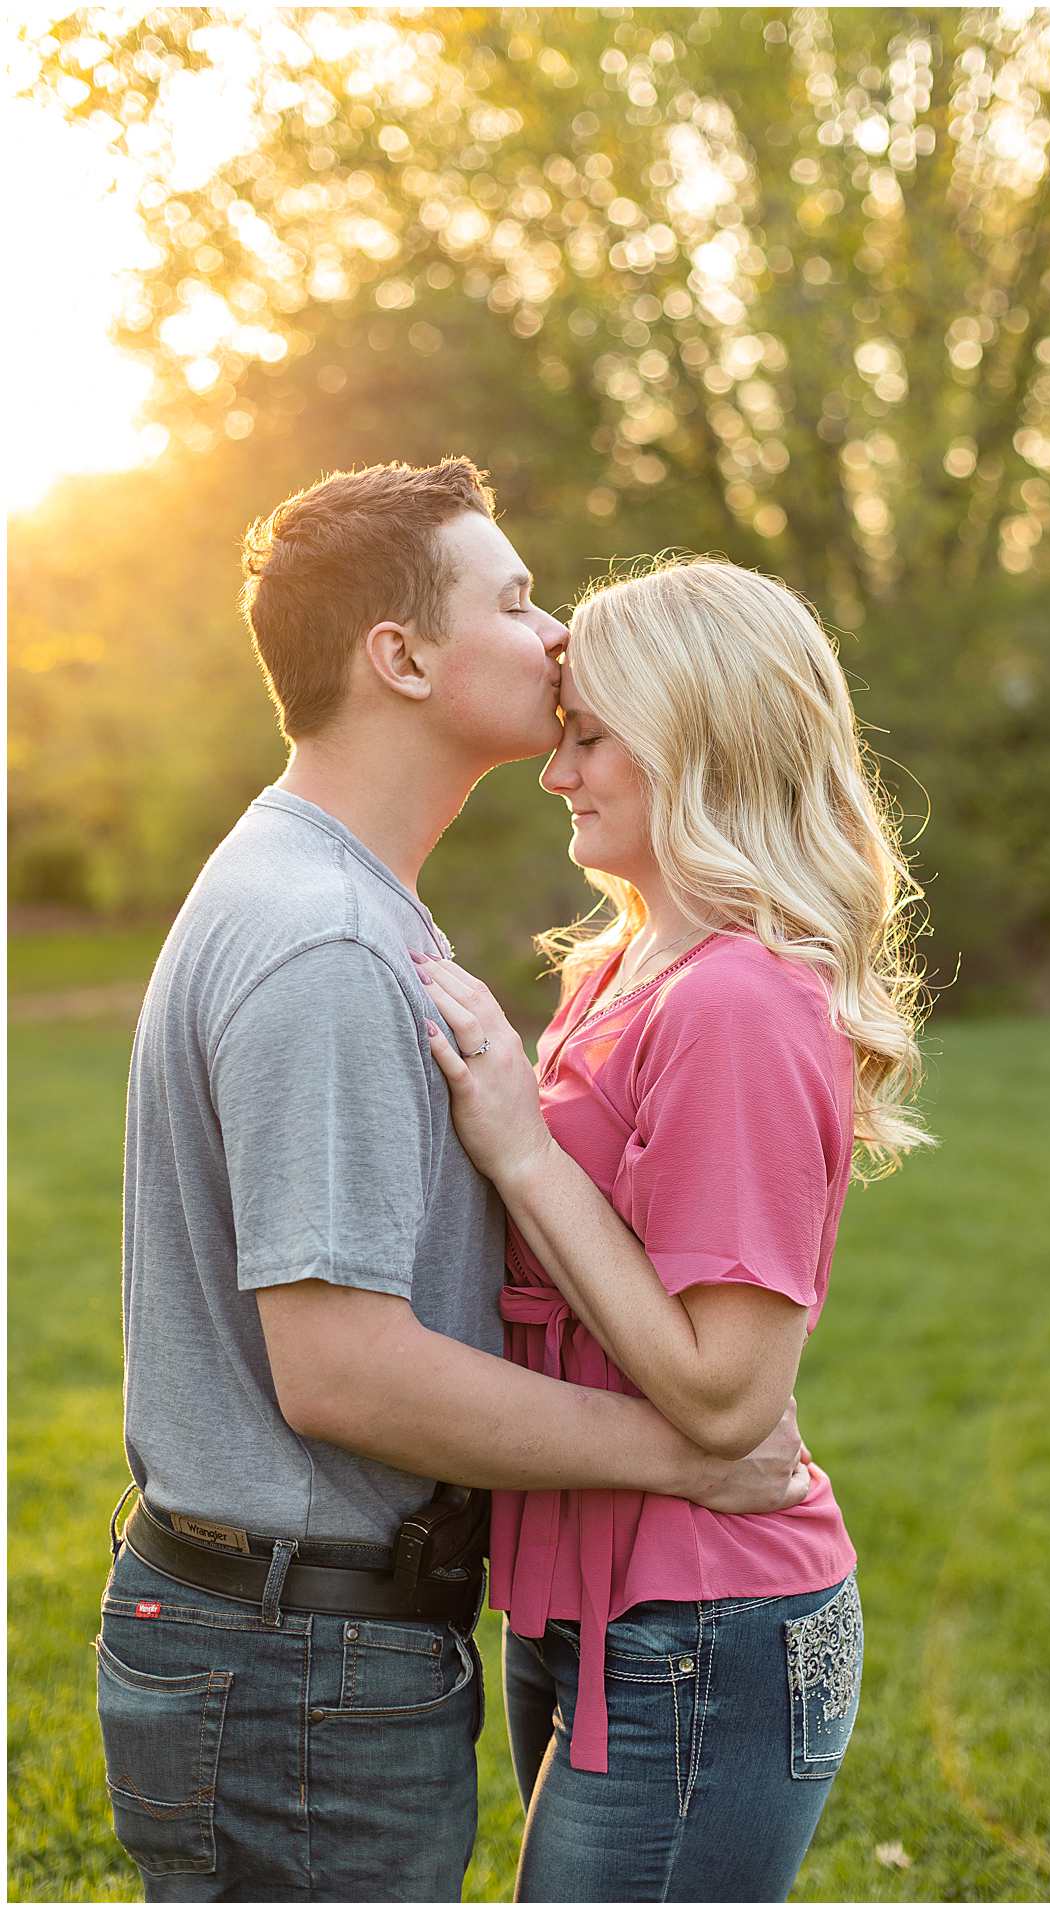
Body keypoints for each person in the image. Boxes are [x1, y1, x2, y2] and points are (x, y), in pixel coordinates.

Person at [96, 464, 811, 1904]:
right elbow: (345, 1374)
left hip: (296, 1637)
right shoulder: (327, 941)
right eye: (516, 597)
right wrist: (684, 1454)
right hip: (297, 1656)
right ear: (400, 655)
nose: (555, 636)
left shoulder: (327, 891)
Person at [413, 555, 934, 1903]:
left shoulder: (738, 1002)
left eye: (586, 735)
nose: (554, 769)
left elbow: (725, 1388)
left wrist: (522, 1148)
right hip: (603, 1603)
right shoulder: (617, 966)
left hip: (707, 1622)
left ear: (691, 738)